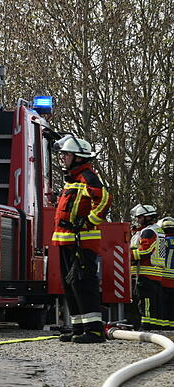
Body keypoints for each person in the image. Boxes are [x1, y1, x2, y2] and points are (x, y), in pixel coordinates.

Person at [51, 135, 112, 343]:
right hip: (66, 240)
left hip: (82, 240)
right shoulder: (73, 179)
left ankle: (94, 330)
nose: (63, 158)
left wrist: (89, 221)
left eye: (66, 155)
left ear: (77, 157)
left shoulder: (87, 176)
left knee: (84, 283)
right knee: (71, 285)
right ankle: (78, 328)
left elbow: (104, 198)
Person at [129, 204, 164, 329]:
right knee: (153, 302)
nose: (138, 220)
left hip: (146, 272)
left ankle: (146, 326)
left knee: (146, 302)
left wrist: (126, 255)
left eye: (140, 217)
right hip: (154, 272)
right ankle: (153, 326)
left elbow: (144, 251)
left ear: (147, 217)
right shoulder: (157, 230)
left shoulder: (148, 232)